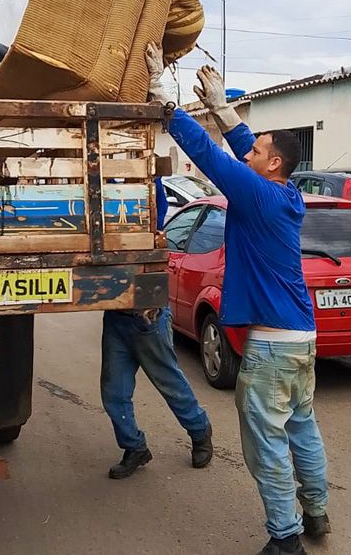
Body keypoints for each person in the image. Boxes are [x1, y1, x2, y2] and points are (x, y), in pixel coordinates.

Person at [145, 43, 330, 555]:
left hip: (270, 349)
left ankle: (285, 538)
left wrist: (168, 105)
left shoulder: (258, 192)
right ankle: (315, 512)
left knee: (266, 443)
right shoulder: (283, 192)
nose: (246, 154)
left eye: (254, 152)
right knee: (302, 426)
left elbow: (207, 158)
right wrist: (227, 114)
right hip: (300, 338)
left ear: (272, 164)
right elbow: (248, 151)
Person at [100, 174, 213, 479]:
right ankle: (135, 447)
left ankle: (200, 431)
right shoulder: (100, 219)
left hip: (147, 318)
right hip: (117, 317)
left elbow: (155, 188)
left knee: (170, 384)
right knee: (113, 392)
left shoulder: (149, 213)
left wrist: (149, 173)